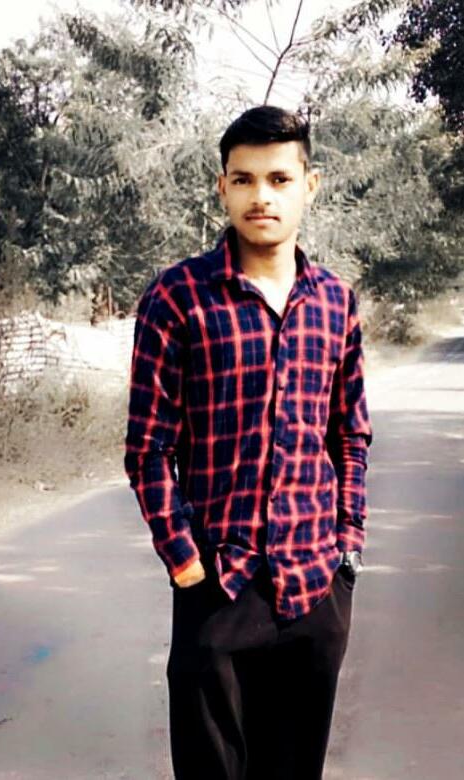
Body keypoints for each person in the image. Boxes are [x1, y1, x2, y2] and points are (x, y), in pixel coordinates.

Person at [124, 105, 373, 780]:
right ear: (222, 187)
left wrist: (348, 544)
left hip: (314, 582)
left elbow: (349, 431)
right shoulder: (178, 298)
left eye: (279, 178)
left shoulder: (335, 302)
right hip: (217, 583)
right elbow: (147, 448)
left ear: (308, 185)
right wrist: (184, 561)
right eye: (244, 179)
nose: (262, 196)